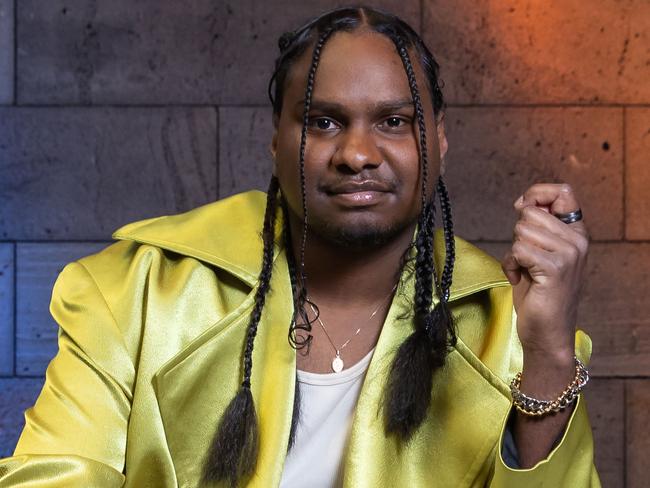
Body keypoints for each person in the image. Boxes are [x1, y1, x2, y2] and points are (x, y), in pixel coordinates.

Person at [0, 6, 599, 488]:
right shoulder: (136, 291)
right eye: (324, 121)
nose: (357, 153)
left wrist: (546, 352)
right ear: (276, 141)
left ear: (439, 139)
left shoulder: (509, 329)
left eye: (394, 121)